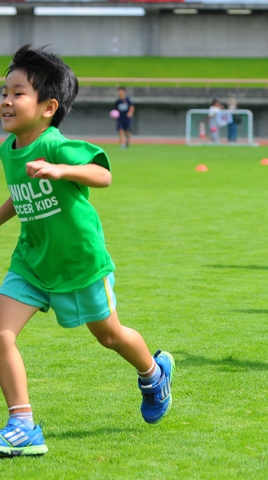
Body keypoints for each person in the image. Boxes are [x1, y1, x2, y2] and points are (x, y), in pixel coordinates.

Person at [0, 45, 174, 457]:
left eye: (18, 92)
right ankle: (22, 425)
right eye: (4, 91)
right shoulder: (9, 149)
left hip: (78, 263)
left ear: (48, 106)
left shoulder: (57, 145)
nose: (6, 100)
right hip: (32, 262)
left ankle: (153, 372)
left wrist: (61, 169)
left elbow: (102, 174)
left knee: (110, 335)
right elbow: (21, 195)